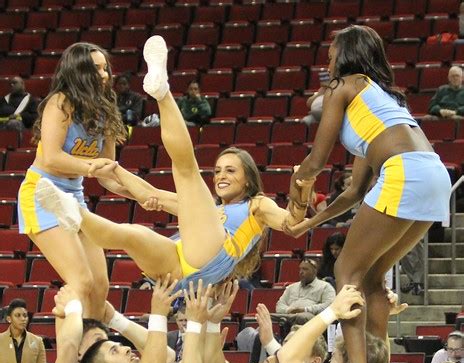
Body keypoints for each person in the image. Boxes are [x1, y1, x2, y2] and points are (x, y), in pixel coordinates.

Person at [36, 35, 310, 293]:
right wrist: (114, 169)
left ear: (249, 180)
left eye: (230, 170)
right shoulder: (204, 212)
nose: (220, 176)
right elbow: (150, 196)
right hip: (178, 269)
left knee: (187, 171)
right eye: (217, 170)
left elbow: (292, 225)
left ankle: (161, 92)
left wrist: (301, 194)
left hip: (211, 256)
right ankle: (72, 212)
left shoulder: (257, 205)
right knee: (129, 234)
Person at [286, 25, 452, 363]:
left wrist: (298, 184)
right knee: (374, 277)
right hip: (433, 174)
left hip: (405, 171)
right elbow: (353, 193)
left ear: (345, 54)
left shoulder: (341, 86)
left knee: (346, 270)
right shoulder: (380, 101)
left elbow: (316, 161)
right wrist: (310, 224)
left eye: (331, 51)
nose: (327, 59)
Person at [17, 42, 133, 320]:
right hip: (42, 194)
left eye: (106, 68)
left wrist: (139, 195)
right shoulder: (60, 103)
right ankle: (70, 355)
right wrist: (91, 167)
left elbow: (108, 172)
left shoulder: (105, 111)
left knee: (100, 286)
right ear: (78, 71)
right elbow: (53, 159)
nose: (104, 75)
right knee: (81, 283)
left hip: (74, 198)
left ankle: (91, 350)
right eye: (96, 69)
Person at [274, 257, 336, 326]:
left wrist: (305, 310)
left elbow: (329, 305)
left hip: (312, 320)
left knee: (301, 317)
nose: (301, 272)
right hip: (289, 316)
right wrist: (289, 310)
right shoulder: (291, 288)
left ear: (315, 271)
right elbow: (279, 305)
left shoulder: (325, 287)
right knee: (267, 317)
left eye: (305, 269)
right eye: (300, 269)